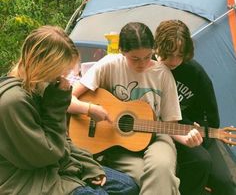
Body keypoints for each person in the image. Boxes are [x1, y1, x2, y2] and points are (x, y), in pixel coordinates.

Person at [0, 25, 139, 195]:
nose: (63, 77)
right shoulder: (13, 101)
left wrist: (88, 166)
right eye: (61, 71)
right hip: (26, 178)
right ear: (44, 66)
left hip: (53, 163)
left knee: (128, 186)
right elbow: (46, 155)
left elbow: (62, 140)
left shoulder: (41, 87)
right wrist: (58, 106)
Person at [69, 22, 203, 195]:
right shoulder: (108, 65)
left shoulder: (163, 74)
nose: (142, 64)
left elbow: (171, 123)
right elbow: (67, 100)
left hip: (157, 136)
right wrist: (89, 109)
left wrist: (187, 139)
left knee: (162, 168)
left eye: (147, 57)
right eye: (135, 59)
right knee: (146, 179)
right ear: (122, 51)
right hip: (120, 143)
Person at [154, 19, 236, 195]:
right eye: (169, 54)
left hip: (190, 131)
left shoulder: (195, 72)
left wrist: (200, 129)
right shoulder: (147, 66)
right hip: (157, 131)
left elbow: (211, 118)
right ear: (158, 46)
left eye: (180, 55)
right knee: (200, 161)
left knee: (226, 182)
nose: (174, 60)